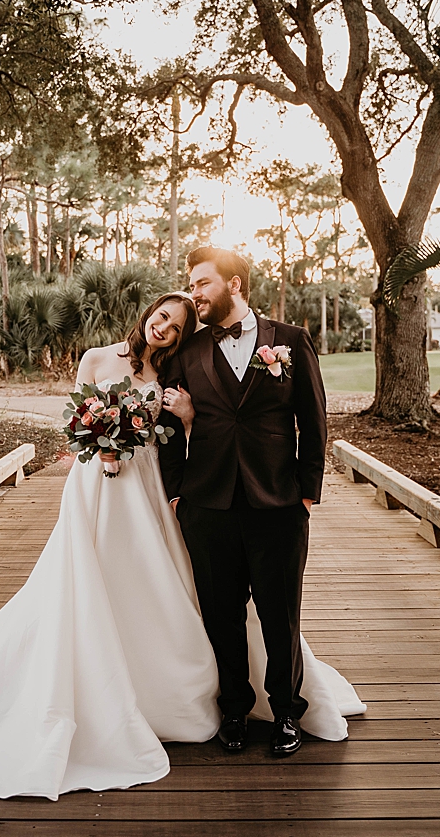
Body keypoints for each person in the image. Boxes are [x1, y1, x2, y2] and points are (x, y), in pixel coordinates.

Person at [0, 290, 361, 799]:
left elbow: (194, 428)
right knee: (93, 573)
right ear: (148, 312)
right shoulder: (96, 358)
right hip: (97, 484)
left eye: (177, 326)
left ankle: (236, 695)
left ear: (182, 337)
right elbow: (72, 422)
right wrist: (99, 441)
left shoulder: (173, 369)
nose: (165, 328)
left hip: (149, 484)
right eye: (162, 316)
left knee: (162, 577)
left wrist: (184, 426)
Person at [157, 247, 334, 757]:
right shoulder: (189, 351)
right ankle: (234, 709)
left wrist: (306, 493)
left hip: (278, 503)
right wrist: (177, 494)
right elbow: (168, 427)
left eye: (202, 283)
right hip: (207, 505)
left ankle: (286, 713)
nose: (194, 293)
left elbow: (314, 421)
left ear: (234, 284)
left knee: (282, 617)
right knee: (222, 617)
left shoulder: (291, 341)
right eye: (192, 284)